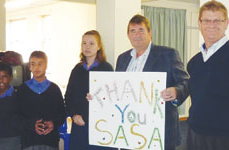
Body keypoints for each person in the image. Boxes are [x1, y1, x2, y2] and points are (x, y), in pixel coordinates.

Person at [115, 15, 189, 150]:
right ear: (128, 35)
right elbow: (116, 89)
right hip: (129, 129)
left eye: (141, 30)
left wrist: (176, 91)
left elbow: (185, 82)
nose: (137, 35)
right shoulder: (122, 58)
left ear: (150, 33)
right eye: (133, 31)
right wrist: (98, 96)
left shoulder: (168, 54)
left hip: (159, 130)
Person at [186, 1, 229, 150]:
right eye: (207, 20)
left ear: (227, 23)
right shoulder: (194, 62)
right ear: (199, 23)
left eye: (217, 20)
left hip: (223, 138)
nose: (212, 25)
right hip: (194, 132)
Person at [65, 30, 115, 150]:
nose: (87, 46)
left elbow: (109, 100)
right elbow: (68, 96)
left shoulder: (106, 68)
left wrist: (86, 118)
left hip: (100, 126)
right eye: (84, 43)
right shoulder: (76, 69)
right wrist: (74, 115)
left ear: (99, 47)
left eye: (92, 43)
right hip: (78, 126)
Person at [17, 51, 66, 150]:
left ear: (46, 66)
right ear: (29, 67)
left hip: (50, 141)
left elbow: (62, 113)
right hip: (29, 142)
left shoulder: (54, 89)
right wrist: (31, 125)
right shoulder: (23, 89)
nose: (36, 67)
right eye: (33, 64)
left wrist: (53, 123)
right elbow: (16, 116)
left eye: (40, 64)